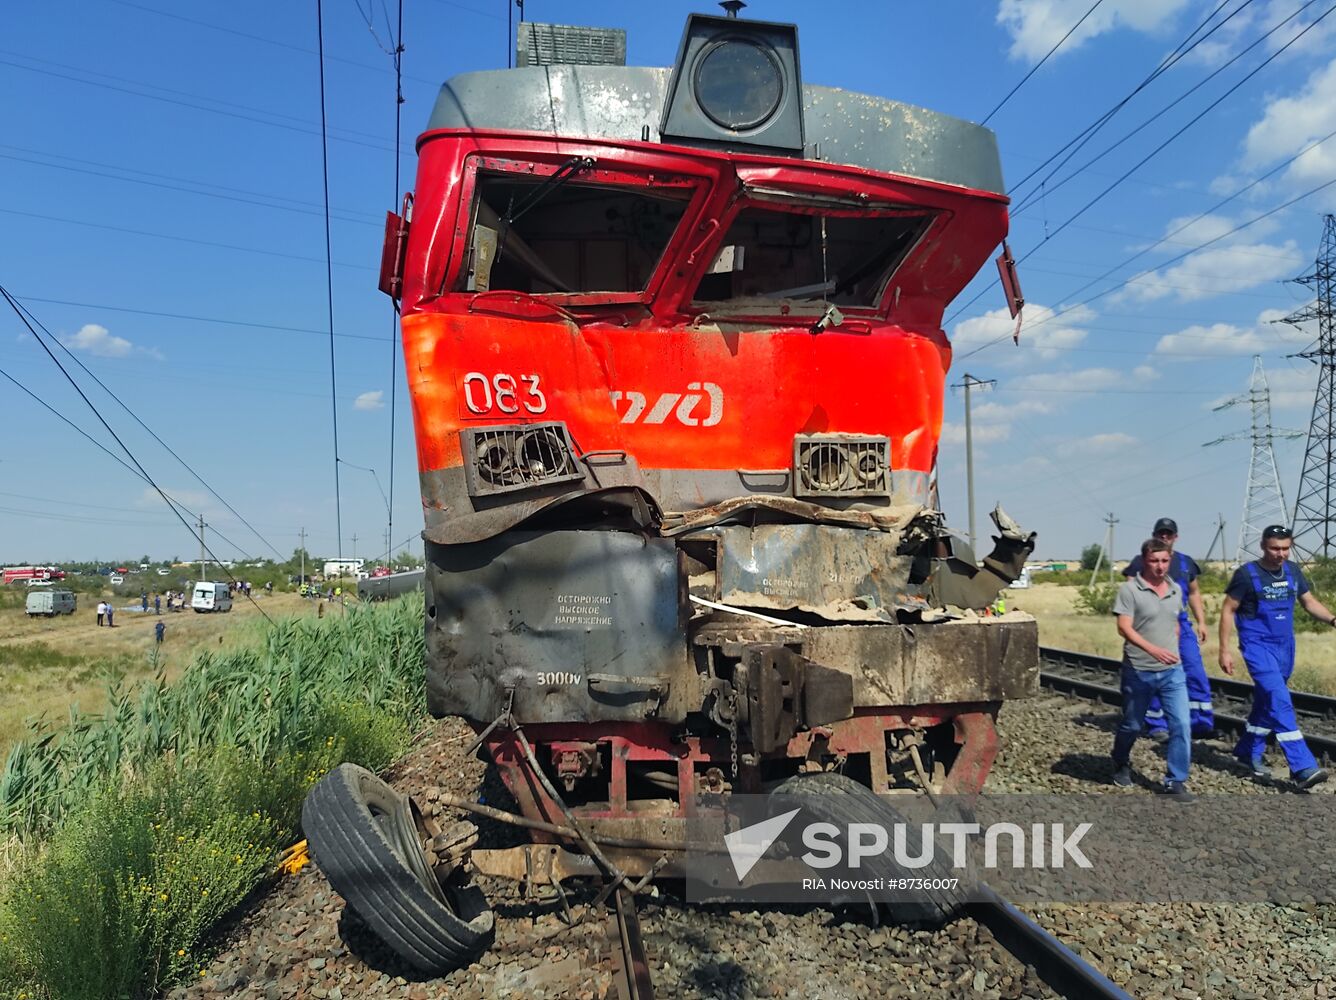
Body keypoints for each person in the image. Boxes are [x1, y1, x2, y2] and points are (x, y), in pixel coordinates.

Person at [1220, 524, 1332, 789]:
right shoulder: (1246, 575)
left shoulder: (1292, 571)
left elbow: (1309, 602)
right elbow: (1227, 610)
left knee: (1266, 701)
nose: (1280, 554)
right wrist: (1224, 650)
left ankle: (1248, 751)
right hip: (1257, 645)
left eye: (1285, 548)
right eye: (1274, 548)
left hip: (1285, 646)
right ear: (1262, 546)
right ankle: (1302, 767)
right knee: (1280, 700)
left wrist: (1332, 619)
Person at [1111, 537, 1194, 801]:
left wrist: (1174, 649)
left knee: (1181, 723)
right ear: (1144, 561)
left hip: (1172, 671)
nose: (1160, 566)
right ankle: (1120, 760)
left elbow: (1175, 622)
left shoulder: (1175, 590)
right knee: (1133, 724)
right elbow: (1123, 627)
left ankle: (1175, 781)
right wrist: (1153, 649)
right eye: (1154, 561)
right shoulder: (1130, 590)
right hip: (1139, 668)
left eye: (1164, 561)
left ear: (1170, 560)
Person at [1121, 518, 1213, 739]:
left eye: (1168, 534)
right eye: (1160, 534)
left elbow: (1193, 593)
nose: (1164, 537)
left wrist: (1201, 621)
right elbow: (1131, 591)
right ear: (1154, 535)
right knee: (1155, 673)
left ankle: (1198, 722)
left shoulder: (1185, 563)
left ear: (1175, 537)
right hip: (1151, 625)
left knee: (1194, 670)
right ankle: (1157, 724)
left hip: (1181, 622)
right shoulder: (1140, 562)